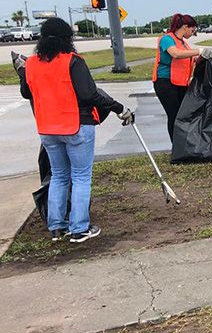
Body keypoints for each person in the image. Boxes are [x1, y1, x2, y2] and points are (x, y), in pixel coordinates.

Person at [17, 18, 133, 243]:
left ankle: (56, 227)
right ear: (67, 38)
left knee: (59, 176)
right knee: (81, 177)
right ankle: (79, 228)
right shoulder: (73, 61)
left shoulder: (31, 64)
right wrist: (118, 108)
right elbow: (89, 94)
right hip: (76, 126)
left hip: (47, 129)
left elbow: (25, 93)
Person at [152, 13, 212, 141]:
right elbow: (175, 54)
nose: (193, 33)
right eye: (193, 30)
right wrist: (199, 51)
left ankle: (184, 145)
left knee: (182, 115)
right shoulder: (167, 39)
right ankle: (176, 147)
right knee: (174, 115)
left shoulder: (184, 43)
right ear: (185, 27)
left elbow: (188, 58)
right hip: (166, 83)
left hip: (180, 84)